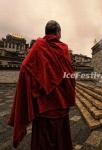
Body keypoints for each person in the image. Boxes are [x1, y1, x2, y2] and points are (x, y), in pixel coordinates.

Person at [8, 20, 76, 150]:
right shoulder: (64, 48)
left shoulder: (37, 47)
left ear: (46, 33)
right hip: (61, 104)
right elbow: (69, 76)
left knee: (42, 143)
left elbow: (24, 67)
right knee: (61, 141)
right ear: (58, 33)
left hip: (43, 106)